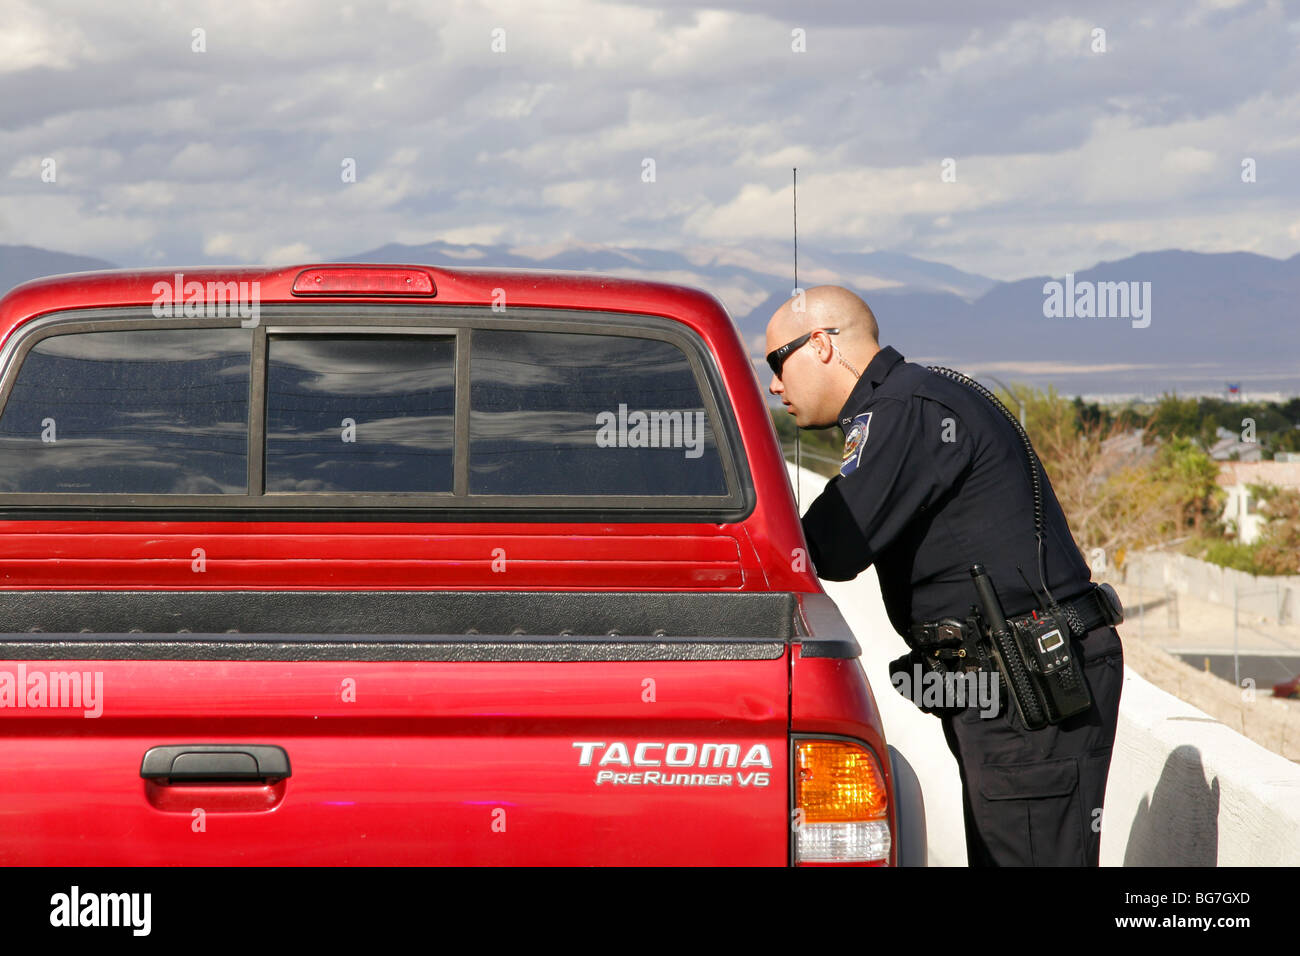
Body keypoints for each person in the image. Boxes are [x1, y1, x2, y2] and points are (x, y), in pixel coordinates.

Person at [766, 284, 1124, 866]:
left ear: (823, 346)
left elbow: (831, 546)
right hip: (1010, 682)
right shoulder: (910, 402)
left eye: (778, 362)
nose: (776, 384)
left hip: (1032, 682)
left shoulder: (906, 410)